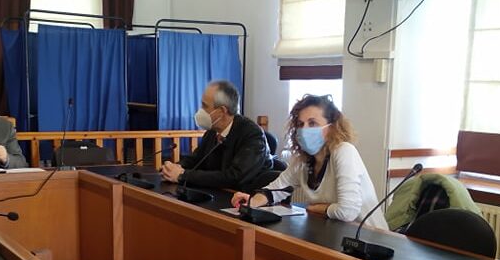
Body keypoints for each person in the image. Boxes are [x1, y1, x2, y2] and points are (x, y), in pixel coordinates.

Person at [231, 94, 387, 228]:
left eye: (312, 123)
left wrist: (318, 208)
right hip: (336, 234)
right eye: (300, 124)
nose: (304, 129)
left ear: (331, 128)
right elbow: (275, 190)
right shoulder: (303, 160)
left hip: (371, 238)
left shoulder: (344, 151)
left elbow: (348, 211)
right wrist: (251, 202)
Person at [160, 80, 273, 190]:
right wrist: (174, 168)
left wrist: (183, 175)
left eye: (205, 106)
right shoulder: (212, 131)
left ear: (222, 111)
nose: (200, 110)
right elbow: (196, 160)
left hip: (246, 196)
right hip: (216, 192)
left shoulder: (252, 134)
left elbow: (235, 177)